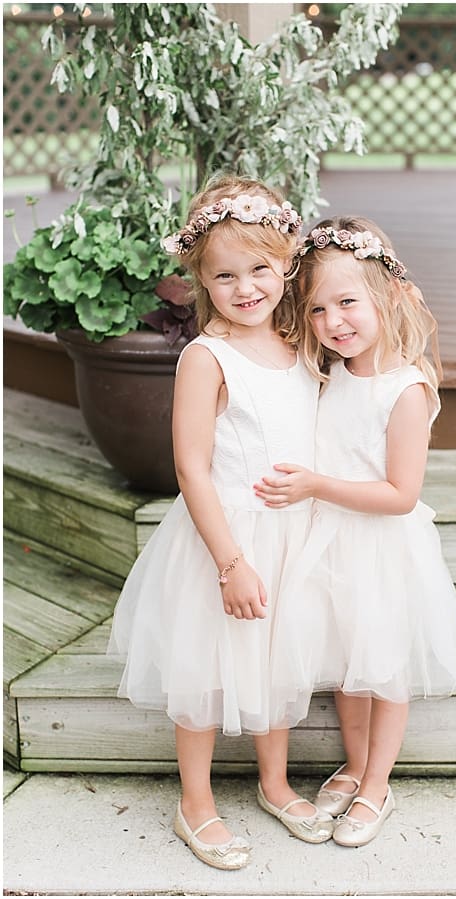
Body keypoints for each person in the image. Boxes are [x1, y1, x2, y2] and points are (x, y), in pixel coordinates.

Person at [108, 175, 328, 869]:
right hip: (223, 538)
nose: (245, 287)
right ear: (200, 278)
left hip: (289, 531)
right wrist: (230, 560)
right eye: (225, 275)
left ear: (287, 262)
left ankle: (272, 781)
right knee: (204, 668)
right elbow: (193, 466)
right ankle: (195, 802)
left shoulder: (299, 347)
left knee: (275, 663)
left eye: (260, 268)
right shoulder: (207, 356)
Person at [254, 216, 456, 848]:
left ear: (387, 296)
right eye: (317, 309)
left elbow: (401, 495)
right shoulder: (330, 372)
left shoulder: (405, 388)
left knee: (384, 670)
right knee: (346, 670)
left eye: (347, 302)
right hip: (328, 543)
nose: (332, 322)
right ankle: (354, 760)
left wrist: (316, 484)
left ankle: (378, 784)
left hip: (380, 546)